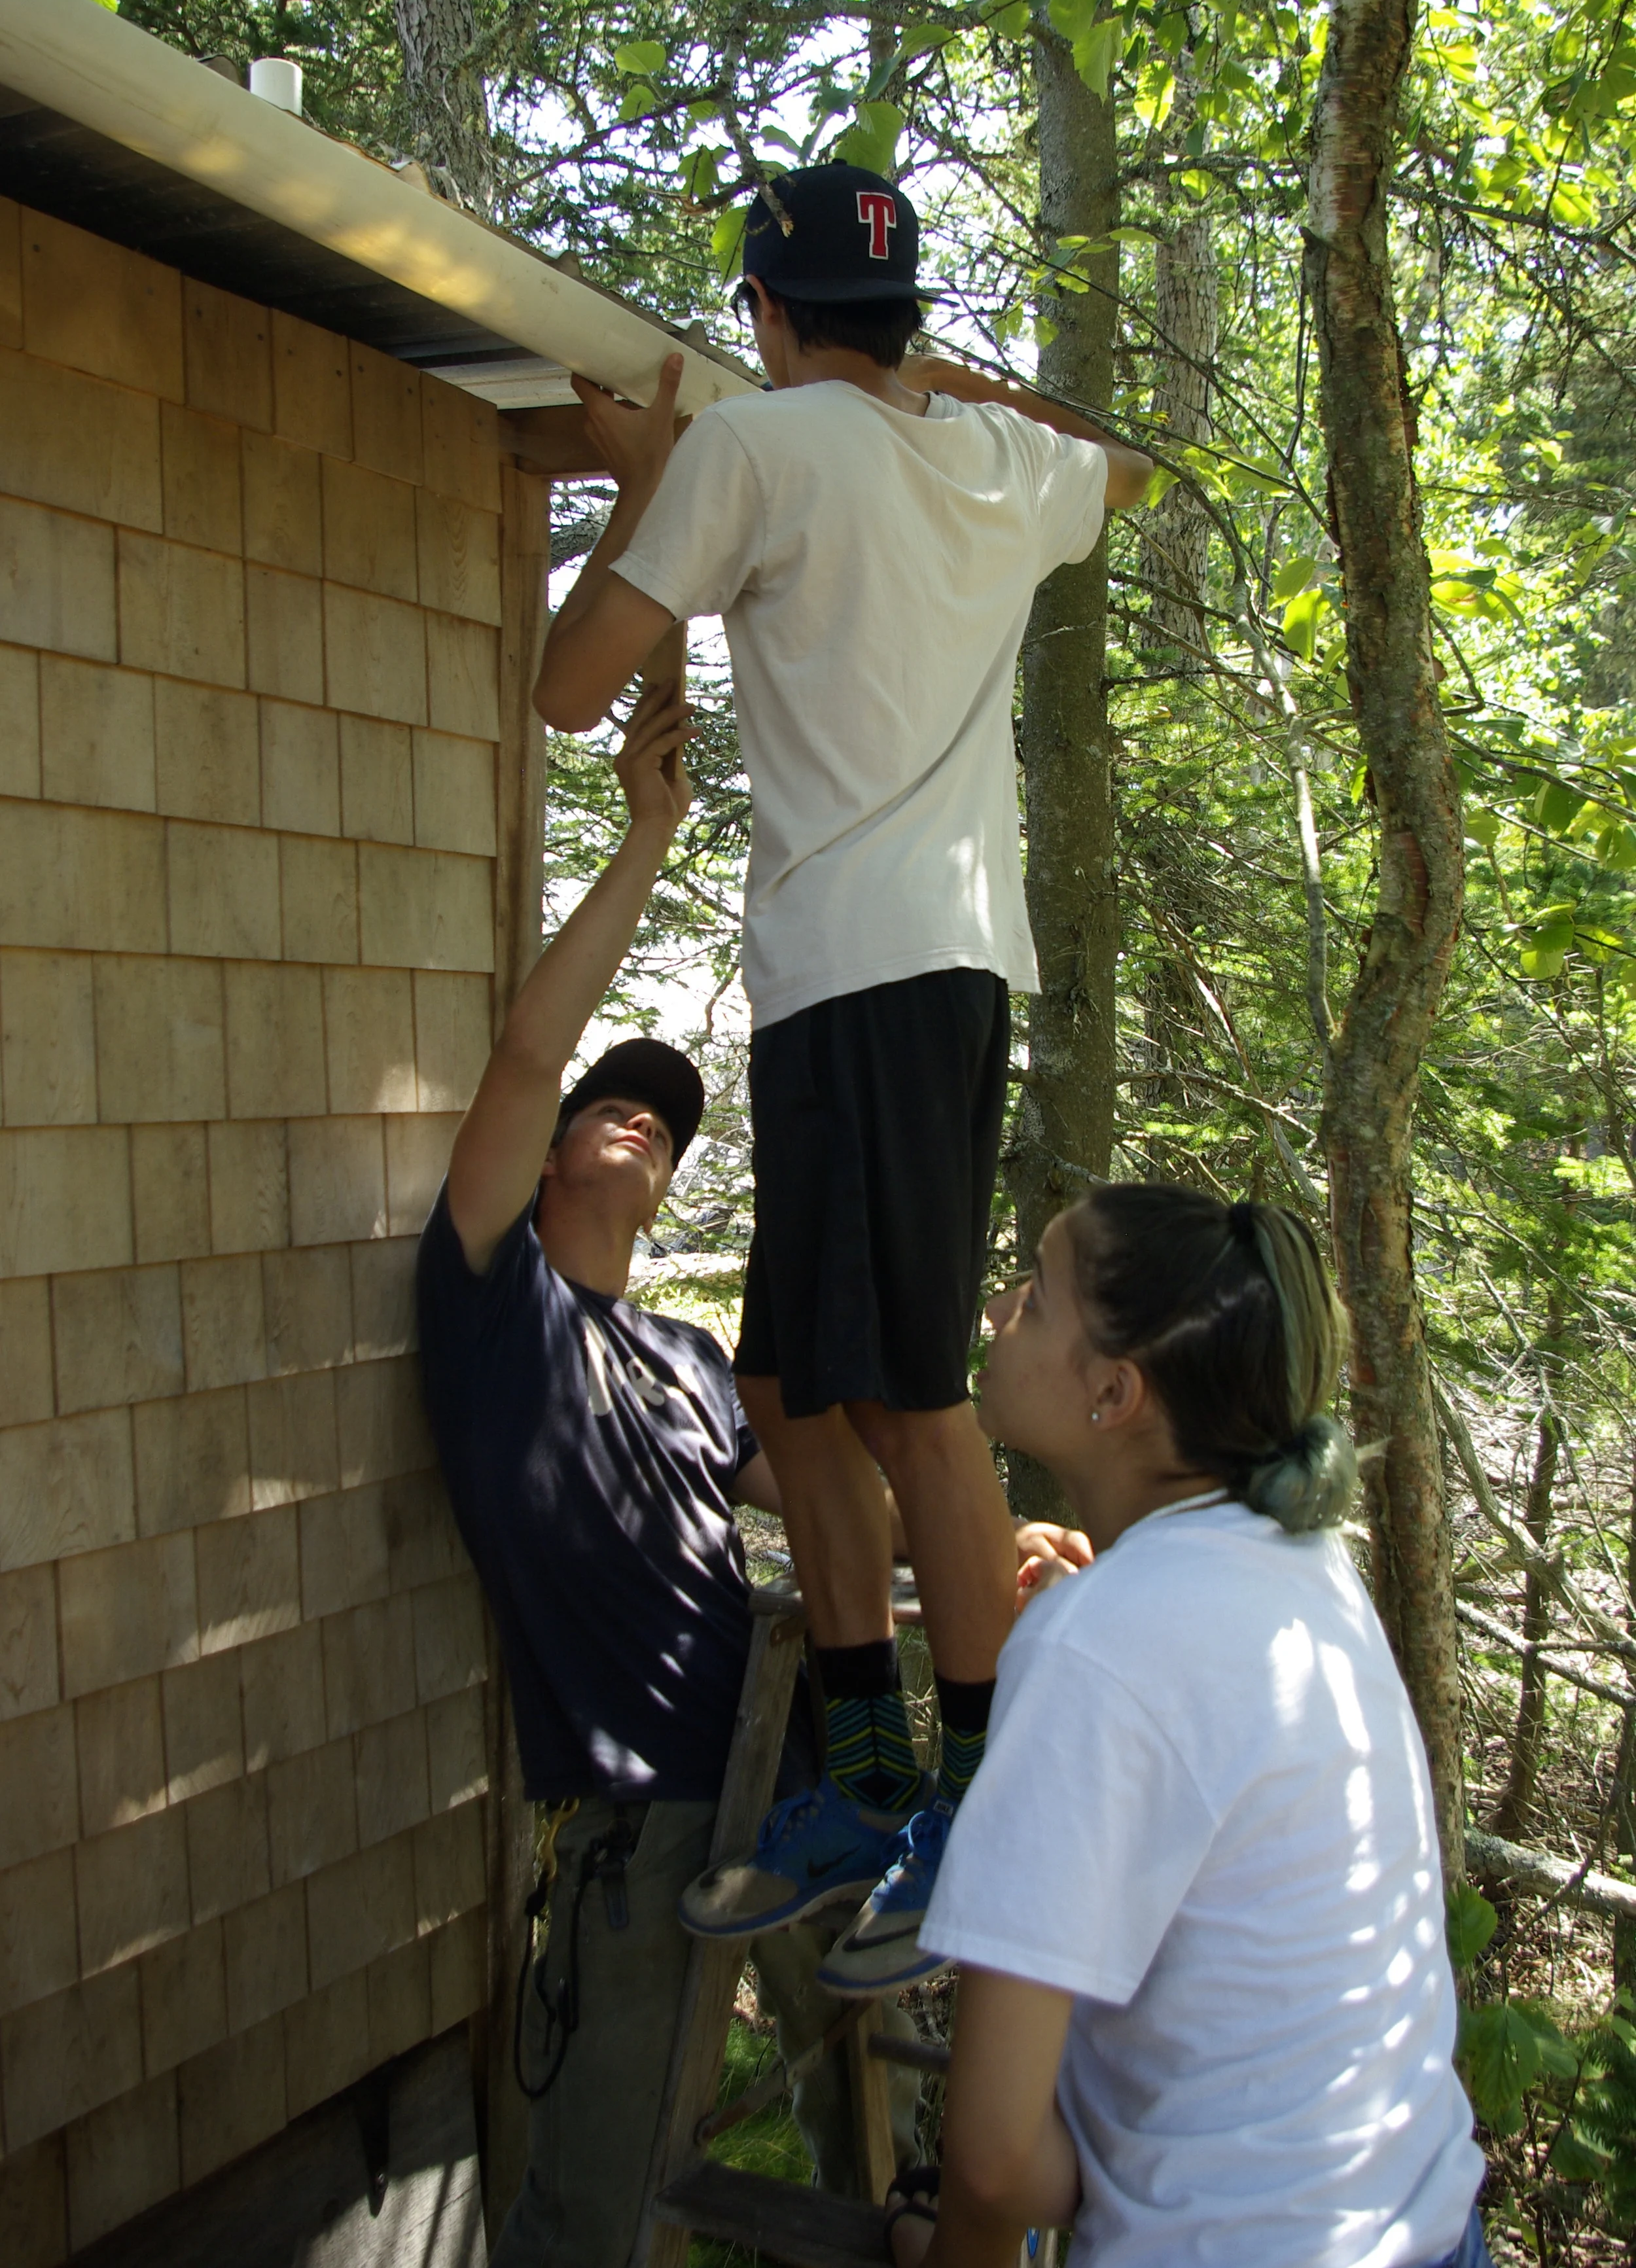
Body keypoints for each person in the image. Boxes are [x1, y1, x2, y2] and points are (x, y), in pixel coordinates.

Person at [532, 160, 1152, 1994]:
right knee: (795, 1394)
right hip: (895, 976)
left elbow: (572, 683)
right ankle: (870, 1782)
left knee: (904, 1404)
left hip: (869, 971)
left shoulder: (760, 442)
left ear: (767, 317)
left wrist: (648, 472)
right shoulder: (992, 462)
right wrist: (942, 390)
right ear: (909, 320)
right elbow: (1120, 464)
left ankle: (976, 1813)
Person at [414, 685, 1084, 2264]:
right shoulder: (488, 1306)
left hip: (796, 1794)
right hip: (646, 1826)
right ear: (559, 1142)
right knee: (586, 2207)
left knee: (862, 2166)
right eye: (610, 1099)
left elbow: (844, 1499)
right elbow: (521, 1051)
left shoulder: (699, 1362)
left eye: (670, 1113)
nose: (643, 1107)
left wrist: (992, 1555)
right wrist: (650, 832)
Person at [891, 1182, 1490, 2268]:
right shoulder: (1302, 1566)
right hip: (1427, 2224)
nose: (996, 1310)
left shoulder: (1099, 1646)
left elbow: (987, 2162)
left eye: (1034, 1297)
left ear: (1113, 1393)